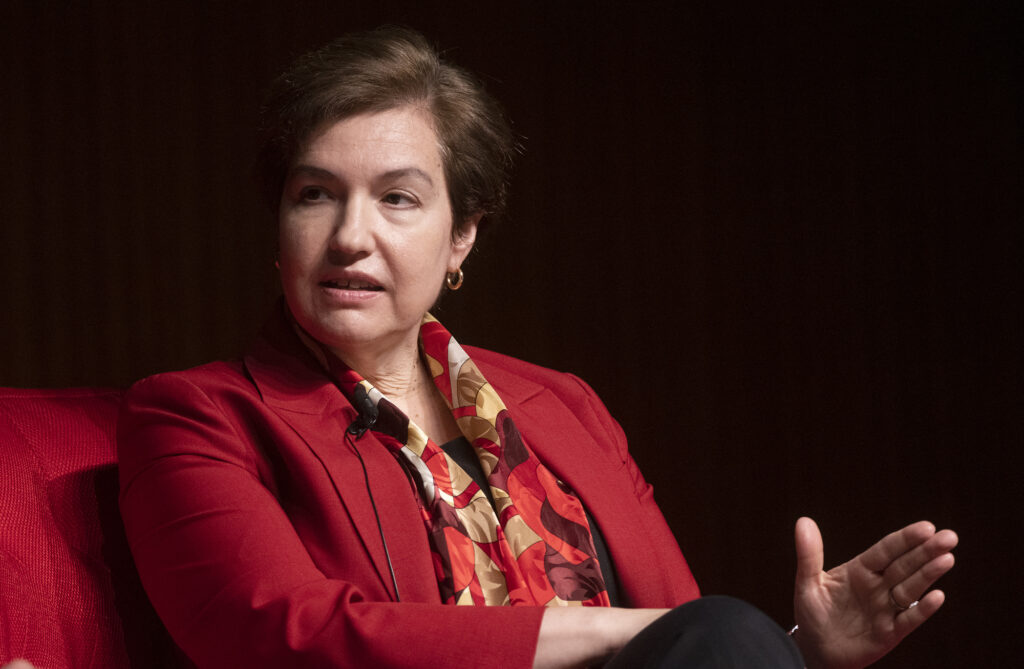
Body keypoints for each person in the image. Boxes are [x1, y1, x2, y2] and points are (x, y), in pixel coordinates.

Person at [115, 26, 957, 668]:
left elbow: (682, 638)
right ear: (279, 226)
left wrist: (800, 651)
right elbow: (286, 637)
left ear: (462, 237)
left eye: (398, 198)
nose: (350, 236)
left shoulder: (563, 404)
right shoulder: (196, 415)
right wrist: (635, 630)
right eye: (314, 194)